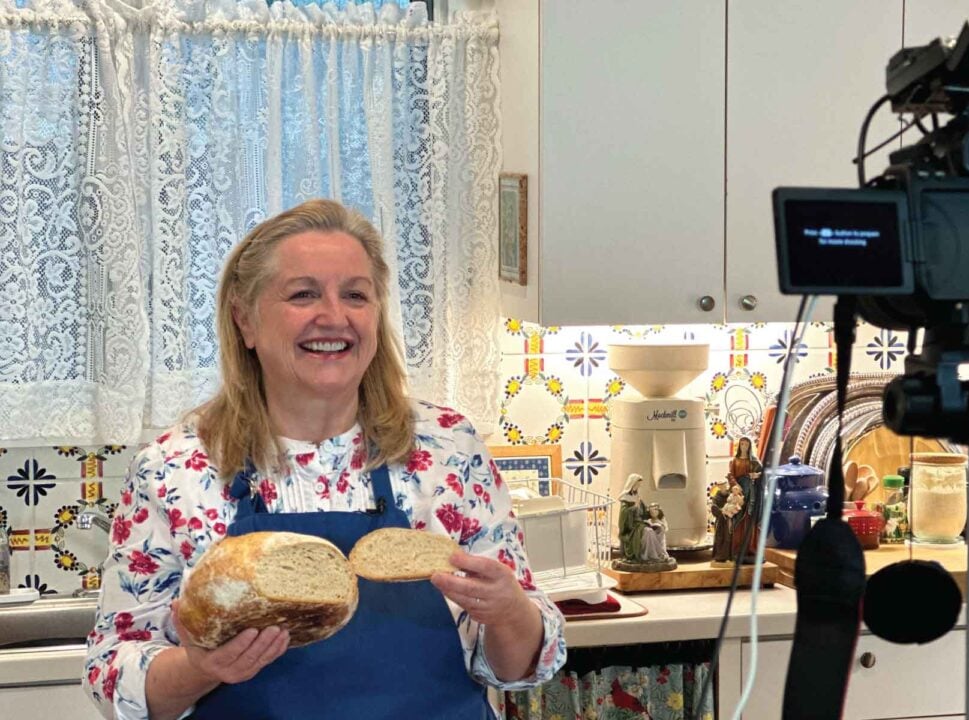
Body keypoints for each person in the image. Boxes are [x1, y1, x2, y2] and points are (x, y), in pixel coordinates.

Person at [82, 200, 566, 720]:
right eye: (303, 294)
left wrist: (511, 612)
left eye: (356, 295)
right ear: (245, 320)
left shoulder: (448, 449)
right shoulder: (175, 468)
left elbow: (518, 667)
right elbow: (113, 673)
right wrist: (203, 667)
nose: (334, 317)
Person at [727, 436, 763, 562]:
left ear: (749, 446)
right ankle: (737, 550)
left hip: (751, 495)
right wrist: (735, 485)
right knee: (738, 521)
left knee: (751, 520)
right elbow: (731, 476)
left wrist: (756, 476)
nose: (743, 447)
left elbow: (762, 474)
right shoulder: (734, 461)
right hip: (740, 495)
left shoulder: (754, 461)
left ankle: (751, 549)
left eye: (746, 444)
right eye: (741, 444)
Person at [617, 473, 647, 562]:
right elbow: (624, 512)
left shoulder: (636, 496)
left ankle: (647, 554)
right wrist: (634, 506)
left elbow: (643, 510)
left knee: (651, 529)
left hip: (638, 521)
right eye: (637, 485)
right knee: (638, 531)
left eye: (639, 485)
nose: (638, 487)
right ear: (632, 484)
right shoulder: (625, 497)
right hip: (630, 524)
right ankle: (634, 555)